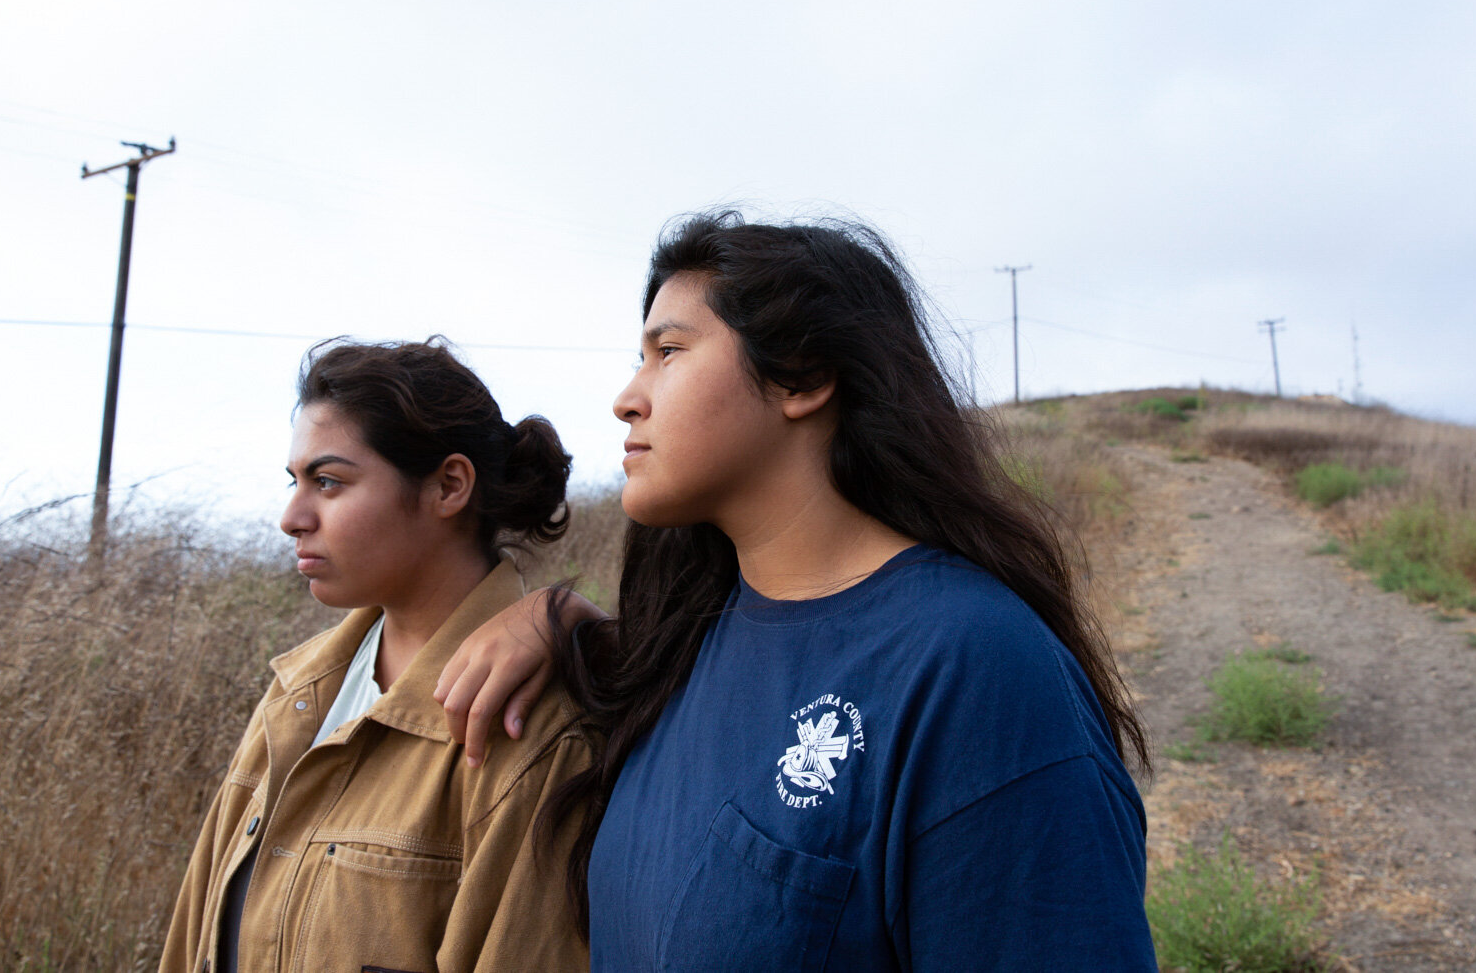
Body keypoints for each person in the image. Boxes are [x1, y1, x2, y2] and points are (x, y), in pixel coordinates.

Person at [436, 212, 1158, 970]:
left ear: (804, 377)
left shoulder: (976, 670)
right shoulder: (681, 645)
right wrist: (556, 617)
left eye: (669, 351)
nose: (626, 397)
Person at [160, 338, 590, 973]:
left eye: (329, 482)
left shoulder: (536, 727)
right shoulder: (294, 698)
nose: (292, 517)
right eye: (295, 481)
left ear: (449, 485)